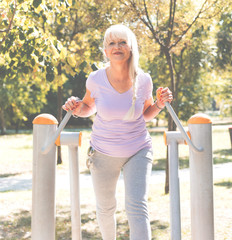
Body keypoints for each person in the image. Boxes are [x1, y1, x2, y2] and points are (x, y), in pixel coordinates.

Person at [62, 24, 173, 240]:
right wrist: (76, 107)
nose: (117, 47)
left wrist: (159, 104)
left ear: (131, 47)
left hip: (138, 150)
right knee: (105, 208)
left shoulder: (144, 80)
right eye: (111, 43)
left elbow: (145, 113)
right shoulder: (95, 79)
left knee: (137, 207)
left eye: (122, 42)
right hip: (103, 151)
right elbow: (88, 107)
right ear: (105, 51)